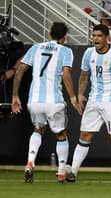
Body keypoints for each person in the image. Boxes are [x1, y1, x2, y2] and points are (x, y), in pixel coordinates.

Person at [65, 24, 111, 183]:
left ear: (107, 38)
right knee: (85, 134)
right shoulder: (88, 53)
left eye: (99, 36)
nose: (96, 39)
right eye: (94, 36)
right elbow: (84, 75)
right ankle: (73, 172)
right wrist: (80, 94)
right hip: (93, 100)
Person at [11, 22, 80, 183]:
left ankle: (30, 163)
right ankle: (62, 171)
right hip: (54, 101)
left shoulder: (36, 48)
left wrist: (15, 95)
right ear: (64, 37)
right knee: (61, 134)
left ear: (50, 33)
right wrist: (73, 97)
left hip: (34, 101)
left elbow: (20, 71)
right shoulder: (66, 51)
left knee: (38, 129)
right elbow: (66, 74)